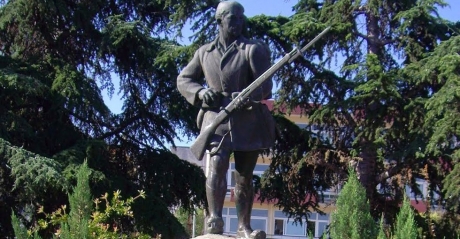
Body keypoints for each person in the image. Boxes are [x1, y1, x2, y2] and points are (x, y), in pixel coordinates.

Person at [177, 1, 275, 238]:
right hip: (216, 119)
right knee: (216, 170)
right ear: (220, 20)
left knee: (244, 176)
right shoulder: (204, 52)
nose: (239, 22)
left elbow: (266, 85)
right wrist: (201, 93)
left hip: (247, 121)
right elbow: (184, 80)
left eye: (242, 18)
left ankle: (244, 226)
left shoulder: (253, 49)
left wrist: (247, 96)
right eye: (233, 18)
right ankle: (215, 220)